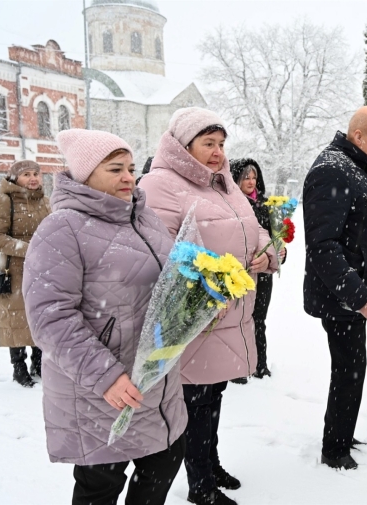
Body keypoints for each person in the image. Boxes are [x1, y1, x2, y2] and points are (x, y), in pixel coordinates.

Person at [22, 129, 186, 504]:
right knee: (101, 485)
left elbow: (171, 280)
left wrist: (198, 302)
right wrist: (106, 376)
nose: (129, 176)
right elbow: (51, 318)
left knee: (164, 461)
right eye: (116, 169)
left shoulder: (145, 219)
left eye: (130, 167)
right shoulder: (61, 229)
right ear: (85, 174)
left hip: (156, 379)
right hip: (102, 390)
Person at [140, 107, 277, 505]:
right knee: (194, 404)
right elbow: (158, 253)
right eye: (208, 144)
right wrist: (206, 281)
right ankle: (200, 485)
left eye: (221, 144)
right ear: (184, 146)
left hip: (230, 312)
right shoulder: (160, 184)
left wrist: (267, 255)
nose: (217, 153)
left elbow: (253, 232)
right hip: (195, 314)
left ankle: (210, 464)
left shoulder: (225, 184)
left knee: (212, 396)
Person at [303, 105, 367, 470]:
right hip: (341, 297)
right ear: (359, 136)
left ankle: (342, 432)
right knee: (349, 368)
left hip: (351, 295)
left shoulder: (355, 167)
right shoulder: (332, 170)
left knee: (352, 368)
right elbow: (324, 246)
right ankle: (335, 448)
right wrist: (358, 296)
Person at [0, 160, 50, 388]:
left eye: (36, 174)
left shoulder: (44, 201)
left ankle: (39, 363)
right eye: (26, 175)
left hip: (44, 269)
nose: (33, 178)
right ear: (15, 178)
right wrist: (27, 248)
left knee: (40, 315)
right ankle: (19, 368)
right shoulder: (5, 201)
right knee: (17, 318)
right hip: (15, 271)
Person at [230, 158, 287, 379]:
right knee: (239, 319)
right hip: (239, 274)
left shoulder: (267, 206)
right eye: (246, 177)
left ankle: (259, 364)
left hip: (263, 275)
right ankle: (239, 368)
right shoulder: (231, 205)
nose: (251, 181)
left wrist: (281, 252)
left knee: (259, 319)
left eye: (254, 177)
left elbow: (277, 239)